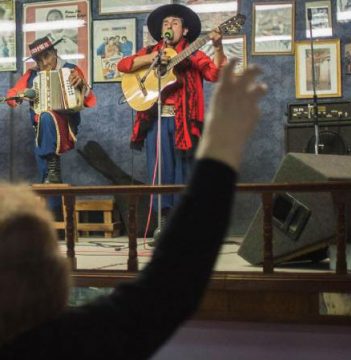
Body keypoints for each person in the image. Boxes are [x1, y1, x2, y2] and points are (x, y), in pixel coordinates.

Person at [0, 59, 267, 358]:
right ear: (55, 274)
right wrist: (221, 147)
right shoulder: (85, 343)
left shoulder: (69, 70)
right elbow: (171, 285)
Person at [117, 3, 226, 241]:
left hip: (184, 123)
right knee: (160, 173)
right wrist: (151, 58)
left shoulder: (194, 53)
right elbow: (123, 65)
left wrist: (217, 46)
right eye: (166, 23)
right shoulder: (150, 50)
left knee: (184, 173)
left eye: (175, 22)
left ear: (185, 31)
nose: (169, 26)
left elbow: (215, 74)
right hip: (156, 120)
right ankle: (163, 224)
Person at [6, 35, 96, 185]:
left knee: (46, 115)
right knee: (46, 178)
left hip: (67, 126)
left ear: (55, 52)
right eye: (38, 60)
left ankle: (53, 168)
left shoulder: (71, 70)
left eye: (47, 56)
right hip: (40, 130)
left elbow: (90, 99)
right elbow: (12, 95)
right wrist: (20, 95)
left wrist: (81, 86)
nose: (44, 63)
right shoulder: (31, 75)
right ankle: (51, 190)